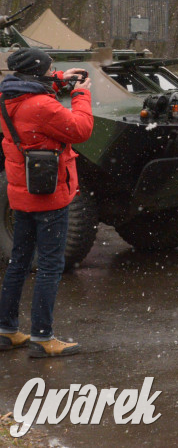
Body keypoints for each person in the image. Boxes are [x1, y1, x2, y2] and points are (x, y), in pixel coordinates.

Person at [0, 48, 93, 357]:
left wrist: (59, 80)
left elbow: (31, 91)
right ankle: (42, 337)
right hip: (49, 196)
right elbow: (81, 130)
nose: (54, 71)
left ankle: (7, 330)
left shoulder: (9, 97)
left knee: (19, 262)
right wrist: (80, 95)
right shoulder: (40, 105)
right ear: (36, 72)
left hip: (21, 193)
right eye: (50, 69)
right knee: (50, 266)